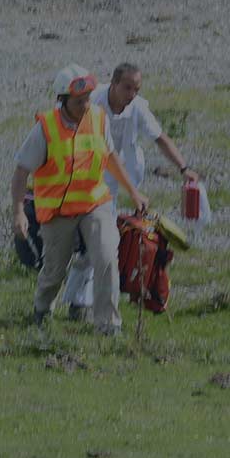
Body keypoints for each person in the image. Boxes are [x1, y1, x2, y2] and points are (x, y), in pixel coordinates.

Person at [10, 65, 150, 336]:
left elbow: (110, 157)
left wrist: (133, 192)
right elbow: (20, 172)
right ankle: (41, 310)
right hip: (58, 212)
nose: (86, 104)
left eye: (88, 98)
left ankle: (108, 325)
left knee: (107, 256)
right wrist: (18, 212)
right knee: (54, 272)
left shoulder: (98, 118)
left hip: (94, 204)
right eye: (79, 101)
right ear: (62, 100)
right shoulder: (45, 129)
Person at [57, 63, 200, 318]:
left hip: (128, 177)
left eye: (136, 88)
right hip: (93, 177)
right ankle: (79, 303)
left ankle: (125, 290)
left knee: (123, 238)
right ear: (112, 83)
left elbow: (160, 138)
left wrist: (183, 167)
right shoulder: (92, 102)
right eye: (127, 87)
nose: (131, 94)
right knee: (95, 242)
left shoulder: (138, 108)